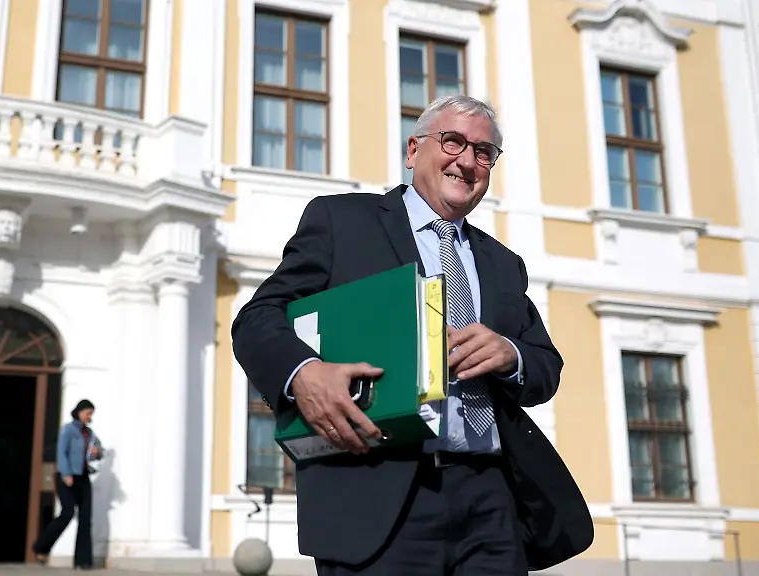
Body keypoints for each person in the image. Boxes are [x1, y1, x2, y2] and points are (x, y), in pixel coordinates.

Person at [231, 95, 593, 575]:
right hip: (378, 492)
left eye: (484, 152)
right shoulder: (343, 222)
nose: (468, 161)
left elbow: (546, 366)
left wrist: (511, 354)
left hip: (490, 499)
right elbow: (257, 318)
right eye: (453, 142)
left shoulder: (504, 264)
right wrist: (304, 374)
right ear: (413, 150)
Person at [32, 399, 102, 569]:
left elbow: (98, 452)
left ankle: (83, 561)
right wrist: (66, 473)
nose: (89, 417)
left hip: (84, 477)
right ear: (79, 412)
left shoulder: (90, 433)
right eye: (88, 413)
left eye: (91, 414)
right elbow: (61, 452)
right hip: (67, 477)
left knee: (86, 519)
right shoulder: (68, 430)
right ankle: (41, 547)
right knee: (67, 513)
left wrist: (97, 453)